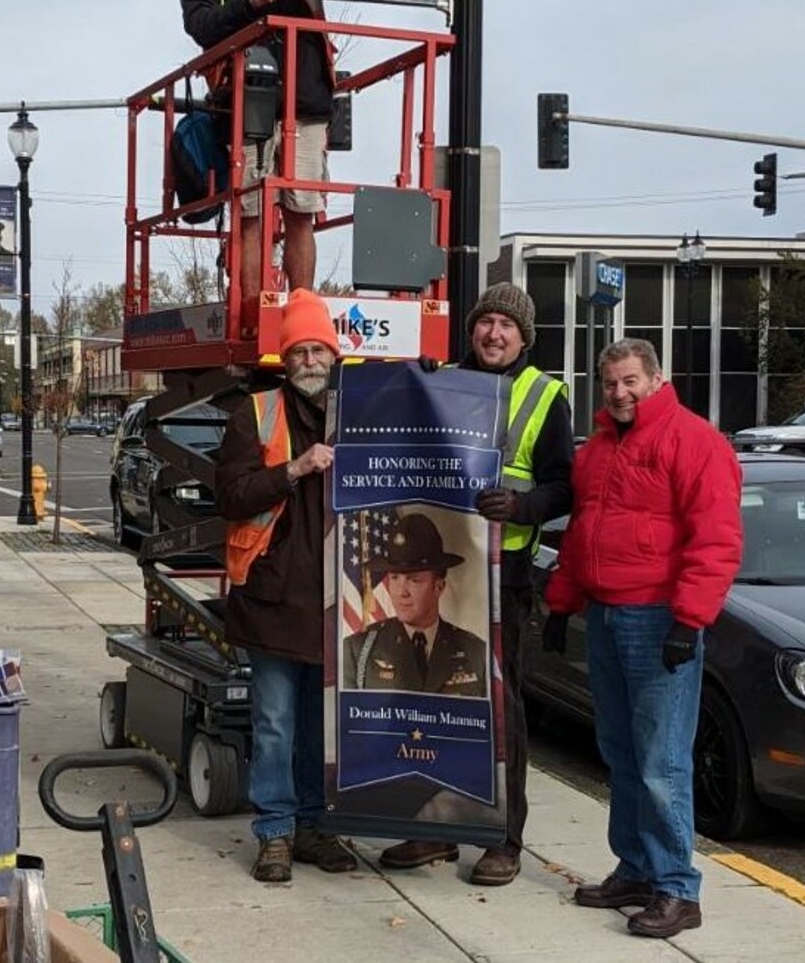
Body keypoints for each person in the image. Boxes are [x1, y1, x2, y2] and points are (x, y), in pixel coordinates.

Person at [542, 339, 742, 940]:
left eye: (630, 381)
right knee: (621, 754)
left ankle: (677, 887)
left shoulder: (695, 442)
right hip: (605, 617)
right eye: (610, 383)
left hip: (658, 621)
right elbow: (582, 534)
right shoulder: (598, 450)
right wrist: (562, 603)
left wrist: (690, 620)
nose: (620, 393)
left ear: (657, 379)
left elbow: (717, 539)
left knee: (661, 763)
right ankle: (634, 869)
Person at [379, 283, 574, 887]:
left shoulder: (545, 395)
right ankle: (438, 828)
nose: (494, 333)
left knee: (500, 708)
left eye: (506, 325)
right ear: (472, 330)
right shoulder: (443, 383)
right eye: (485, 322)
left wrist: (520, 506)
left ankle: (502, 838)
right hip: (444, 568)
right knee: (433, 703)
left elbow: (565, 486)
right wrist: (415, 387)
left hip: (504, 576)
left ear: (524, 336)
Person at [213, 288, 356, 884]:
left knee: (319, 726)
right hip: (273, 597)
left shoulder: (359, 410)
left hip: (338, 598)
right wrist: (294, 469)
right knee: (274, 720)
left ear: (333, 352)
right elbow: (231, 495)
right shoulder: (256, 412)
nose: (309, 361)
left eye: (318, 349)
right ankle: (275, 832)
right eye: (298, 351)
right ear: (284, 358)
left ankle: (316, 826)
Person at [181, 0, 334, 304]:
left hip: (305, 101)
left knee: (302, 209)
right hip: (246, 108)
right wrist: (249, 6)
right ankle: (251, 311)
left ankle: (302, 308)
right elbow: (200, 25)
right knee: (249, 213)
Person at [343, 511, 487, 696]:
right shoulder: (359, 651)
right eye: (394, 578)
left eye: (414, 580)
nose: (402, 592)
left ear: (439, 586)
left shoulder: (475, 652)